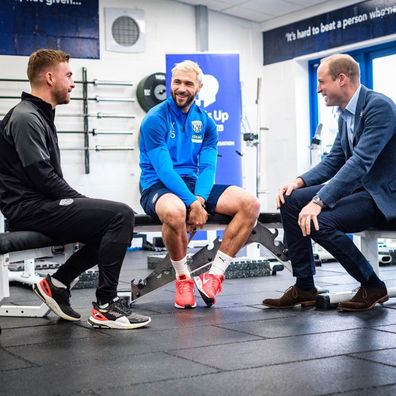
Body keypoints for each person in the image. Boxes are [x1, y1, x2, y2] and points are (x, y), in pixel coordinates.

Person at [0, 49, 151, 330]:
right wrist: (83, 202)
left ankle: (56, 284)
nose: (72, 83)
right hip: (29, 210)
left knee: (111, 222)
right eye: (68, 75)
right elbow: (42, 177)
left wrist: (84, 206)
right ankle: (106, 307)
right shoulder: (25, 117)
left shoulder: (39, 114)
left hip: (38, 207)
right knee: (120, 216)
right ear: (49, 77)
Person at [262, 53, 396, 312]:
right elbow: (335, 159)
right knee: (291, 201)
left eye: (322, 82)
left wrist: (319, 200)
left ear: (342, 79)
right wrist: (300, 182)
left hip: (383, 195)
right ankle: (305, 286)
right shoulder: (344, 114)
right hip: (362, 191)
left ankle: (372, 284)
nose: (318, 88)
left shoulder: (379, 107)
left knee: (319, 222)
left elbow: (360, 163)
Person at [139, 60, 260, 309]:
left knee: (250, 204)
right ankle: (183, 278)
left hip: (194, 186)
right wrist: (192, 202)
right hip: (157, 185)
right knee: (175, 211)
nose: (181, 88)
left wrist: (200, 199)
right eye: (176, 82)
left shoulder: (206, 123)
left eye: (188, 83)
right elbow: (164, 169)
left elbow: (207, 167)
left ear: (199, 87)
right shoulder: (155, 119)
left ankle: (213, 275)